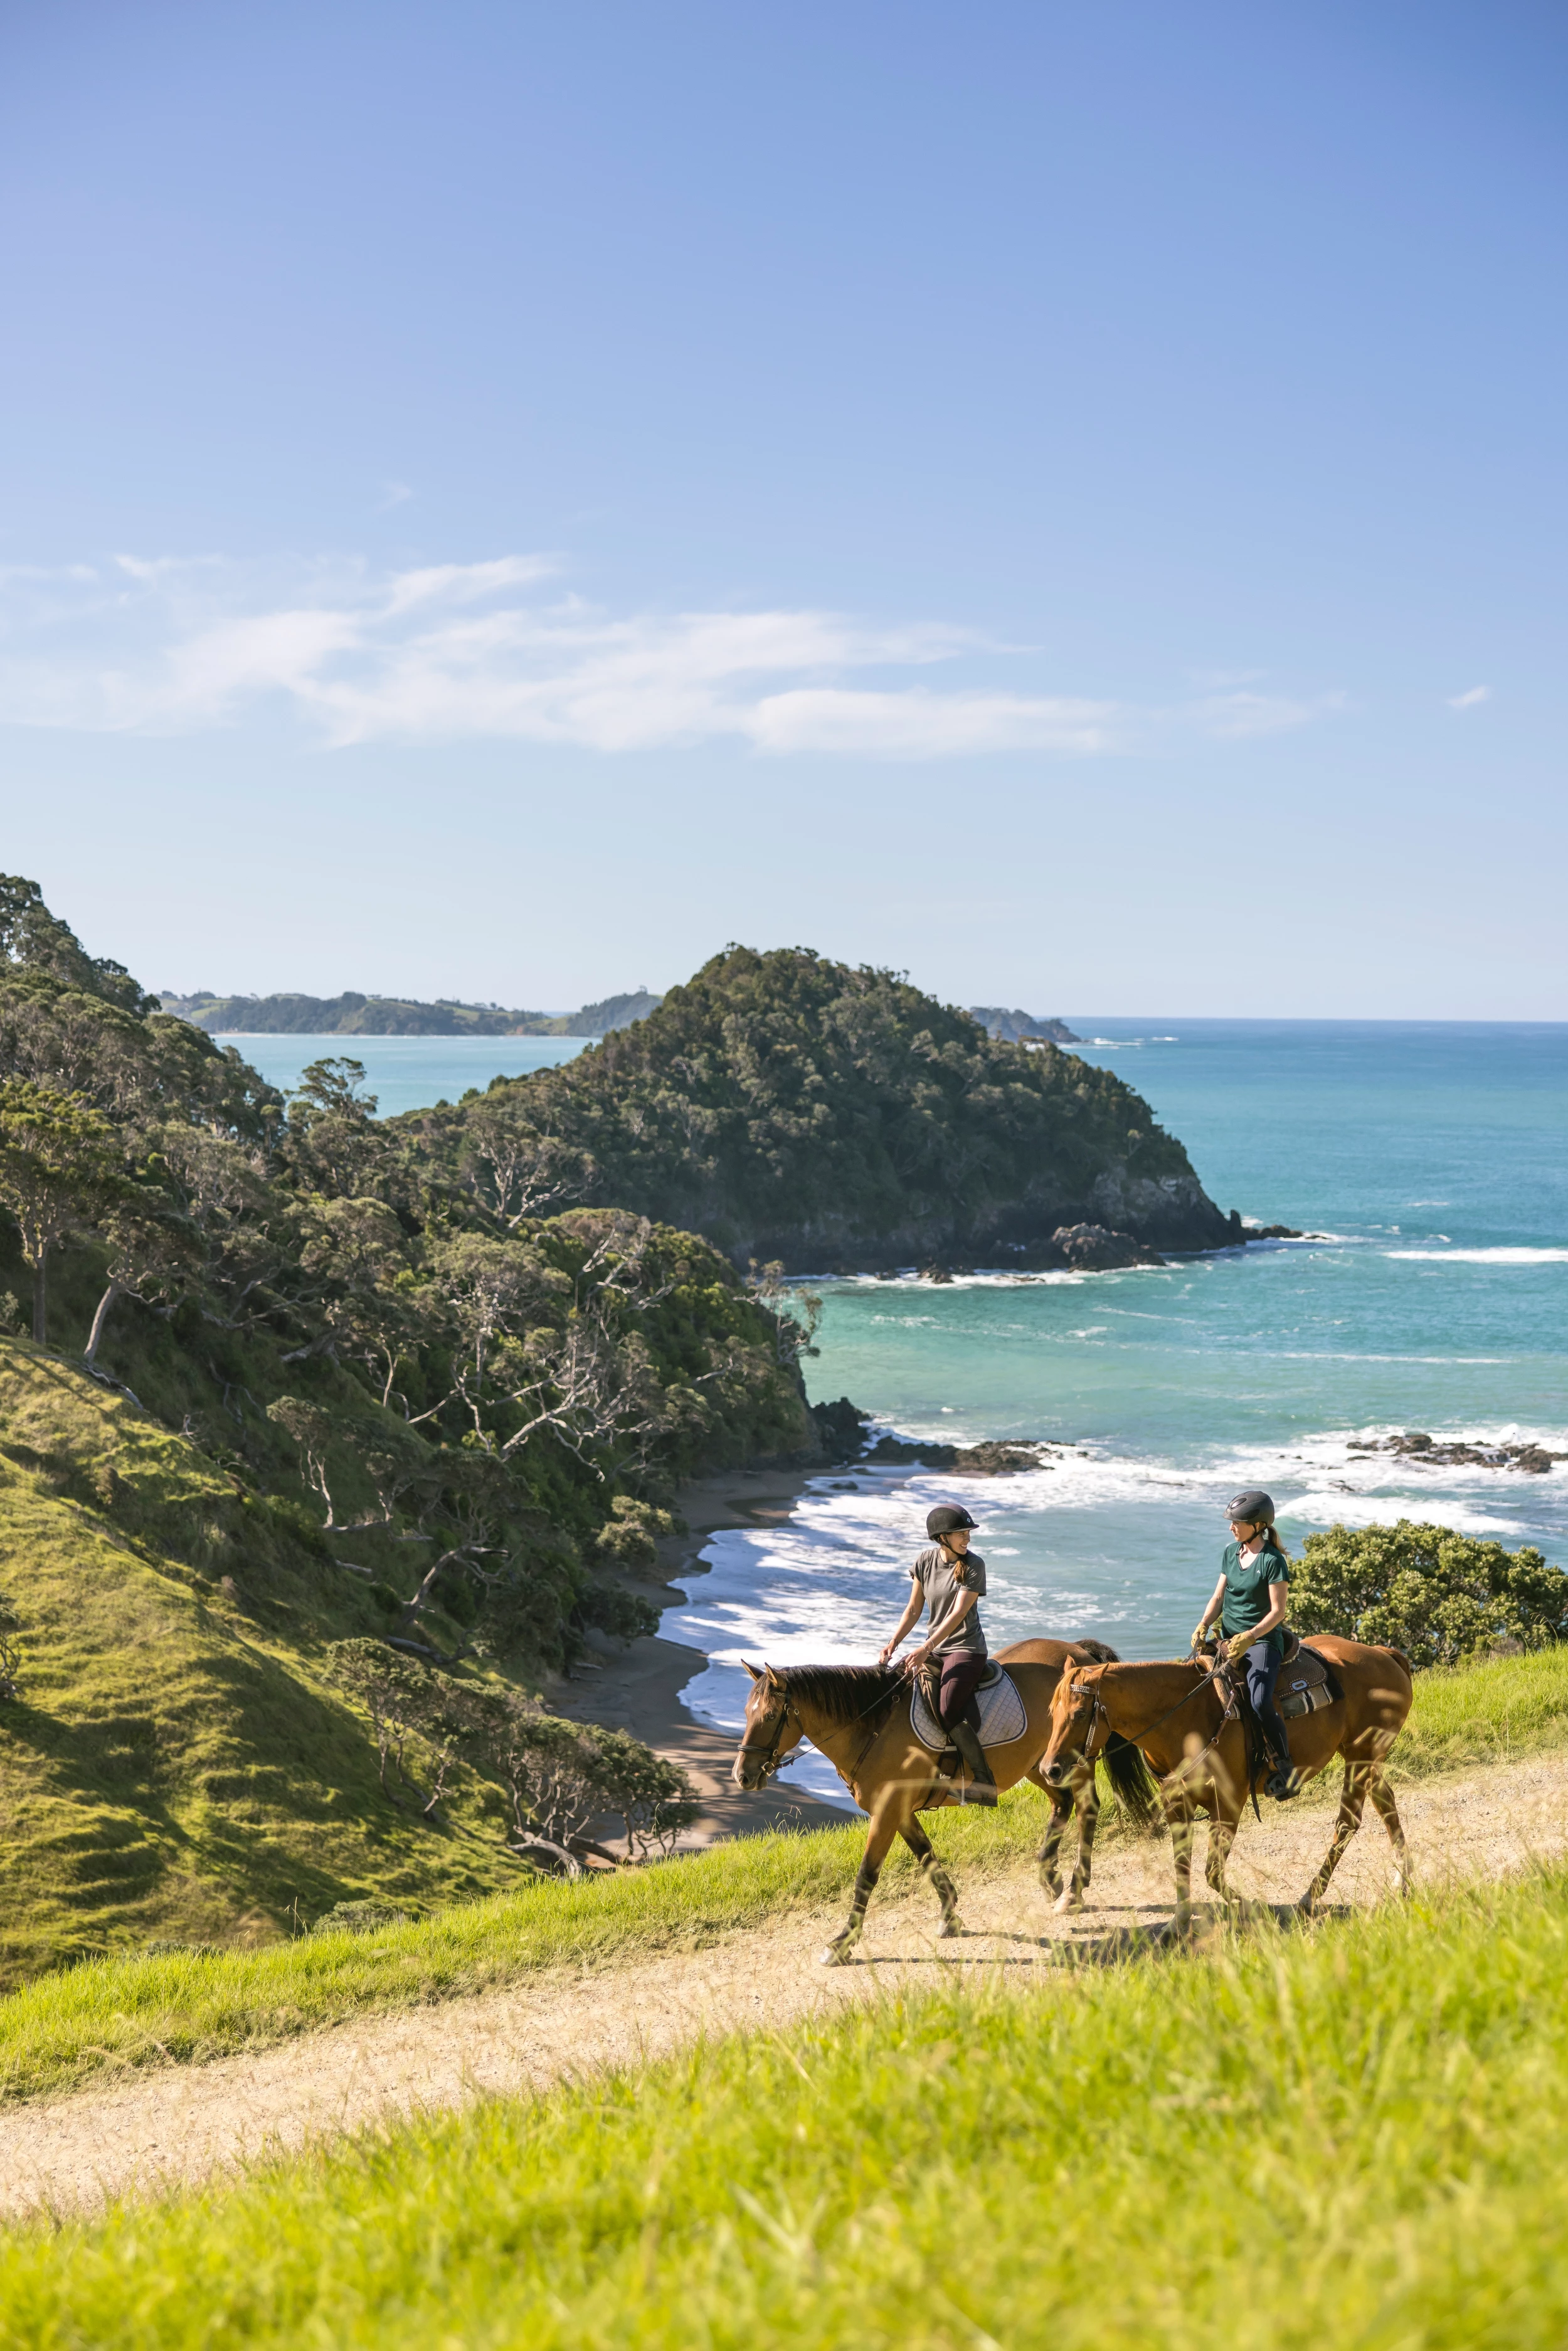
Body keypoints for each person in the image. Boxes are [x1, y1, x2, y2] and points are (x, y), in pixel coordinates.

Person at [878, 1502, 997, 1804]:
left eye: (968, 1532)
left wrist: (925, 1647)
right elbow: (914, 1608)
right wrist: (893, 1643)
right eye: (961, 1533)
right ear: (942, 1537)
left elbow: (958, 1614)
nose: (967, 1538)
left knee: (947, 1710)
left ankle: (984, 1782)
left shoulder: (974, 1565)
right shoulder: (924, 1561)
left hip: (965, 1649)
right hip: (936, 1647)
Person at [1192, 1487, 1301, 1800]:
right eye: (1231, 1522)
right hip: (1226, 1640)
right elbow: (1218, 1597)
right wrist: (1204, 1624)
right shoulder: (1231, 1552)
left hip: (1262, 1643)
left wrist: (1250, 1637)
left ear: (1258, 1525)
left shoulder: (1272, 1560)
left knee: (1259, 1702)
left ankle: (1285, 1768)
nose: (1231, 1526)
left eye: (1237, 1522)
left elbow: (1278, 1611)